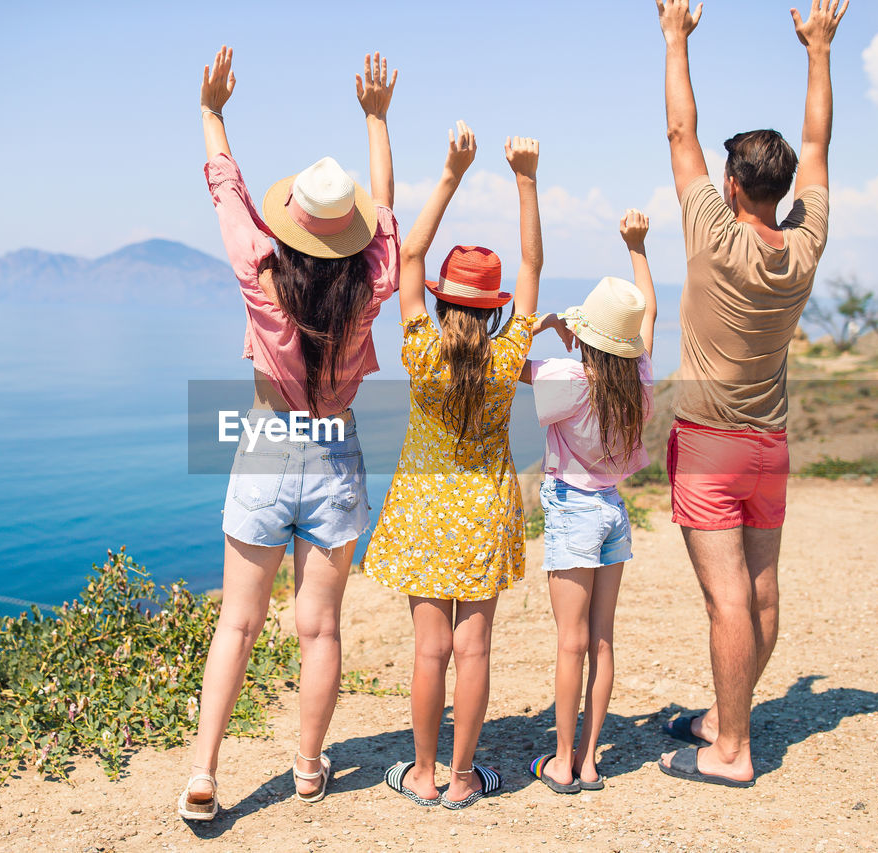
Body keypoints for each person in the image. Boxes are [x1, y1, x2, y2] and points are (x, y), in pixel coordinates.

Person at [178, 46, 399, 820]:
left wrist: (213, 112)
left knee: (238, 621)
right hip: (336, 454)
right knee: (320, 627)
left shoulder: (258, 273)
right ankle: (308, 767)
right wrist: (377, 120)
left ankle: (204, 774)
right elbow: (388, 219)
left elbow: (225, 190)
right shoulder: (371, 285)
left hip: (266, 443)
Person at [653, 0, 846, 787]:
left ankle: (732, 751)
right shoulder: (804, 245)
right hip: (769, 442)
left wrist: (674, 39)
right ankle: (725, 718)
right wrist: (819, 51)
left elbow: (678, 134)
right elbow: (819, 142)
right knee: (761, 593)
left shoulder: (713, 233)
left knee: (727, 601)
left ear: (732, 185)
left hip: (708, 444)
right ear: (782, 189)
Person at [363, 122, 541, 809]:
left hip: (425, 510)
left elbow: (408, 253)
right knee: (476, 649)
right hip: (488, 511)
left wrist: (451, 171)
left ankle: (425, 773)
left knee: (428, 648)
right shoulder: (506, 358)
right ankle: (467, 778)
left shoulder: (420, 352)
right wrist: (526, 179)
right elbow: (531, 268)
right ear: (493, 310)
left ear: (440, 301)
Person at [520, 210, 657, 794]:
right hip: (613, 516)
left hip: (573, 513)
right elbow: (646, 313)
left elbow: (504, 364)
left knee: (569, 642)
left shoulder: (569, 380)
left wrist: (546, 326)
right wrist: (638, 248)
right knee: (601, 639)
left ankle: (560, 760)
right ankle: (592, 760)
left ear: (586, 339)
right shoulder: (642, 379)